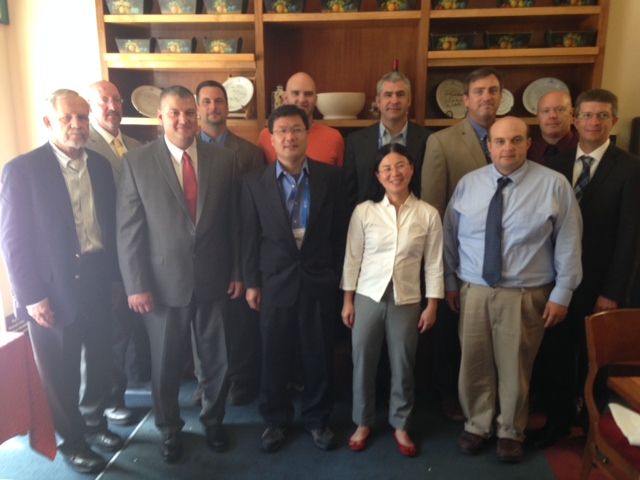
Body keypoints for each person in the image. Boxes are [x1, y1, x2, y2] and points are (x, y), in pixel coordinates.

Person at [443, 116, 582, 463]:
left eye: (516, 140)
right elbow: (450, 236)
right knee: (473, 363)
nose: (508, 148)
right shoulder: (468, 184)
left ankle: (510, 430)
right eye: (500, 141)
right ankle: (477, 424)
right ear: (488, 146)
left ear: (528, 143)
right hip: (473, 289)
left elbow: (568, 242)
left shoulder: (554, 185)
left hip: (525, 294)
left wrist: (562, 293)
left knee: (515, 367)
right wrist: (450, 282)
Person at [0, 89, 123, 474]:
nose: (77, 125)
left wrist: (120, 280)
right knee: (61, 372)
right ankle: (72, 443)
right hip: (51, 290)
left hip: (98, 280)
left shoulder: (101, 166)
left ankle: (94, 423)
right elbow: (13, 241)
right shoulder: (23, 170)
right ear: (48, 122)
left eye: (83, 118)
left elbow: (114, 228)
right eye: (68, 118)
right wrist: (32, 296)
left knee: (102, 361)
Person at [117, 85, 241, 462]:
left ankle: (214, 419)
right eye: (175, 113)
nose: (183, 120)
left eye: (190, 112)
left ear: (198, 116)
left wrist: (236, 271)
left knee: (216, 359)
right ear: (161, 117)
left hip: (214, 278)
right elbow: (129, 229)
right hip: (160, 285)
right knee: (165, 364)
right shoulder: (137, 162)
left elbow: (233, 222)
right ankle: (169, 429)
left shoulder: (224, 160)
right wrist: (136, 285)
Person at [531, 89, 640, 448]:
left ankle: (591, 422)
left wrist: (612, 292)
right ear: (575, 120)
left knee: (594, 356)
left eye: (602, 116)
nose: (594, 122)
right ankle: (558, 419)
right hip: (558, 279)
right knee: (558, 351)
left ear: (614, 121)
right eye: (588, 115)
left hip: (601, 281)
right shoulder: (555, 164)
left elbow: (630, 236)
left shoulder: (630, 168)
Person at [242, 105, 347, 453]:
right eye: (282, 131)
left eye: (296, 130)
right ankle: (275, 420)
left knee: (319, 354)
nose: (289, 137)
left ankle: (318, 420)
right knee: (274, 354)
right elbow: (249, 236)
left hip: (319, 279)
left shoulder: (330, 177)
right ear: (272, 139)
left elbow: (339, 233)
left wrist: (337, 276)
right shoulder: (255, 183)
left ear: (307, 133)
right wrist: (253, 282)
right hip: (274, 281)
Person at [341, 143, 443, 457]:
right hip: (367, 296)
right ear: (377, 174)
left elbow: (434, 262)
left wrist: (432, 303)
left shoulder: (427, 213)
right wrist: (348, 301)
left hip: (407, 299)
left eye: (400, 166)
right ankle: (363, 421)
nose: (394, 173)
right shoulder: (364, 211)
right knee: (363, 361)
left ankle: (401, 424)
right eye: (387, 168)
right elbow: (352, 258)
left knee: (403, 363)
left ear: (412, 169)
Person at [420, 67, 502, 422]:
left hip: (506, 263)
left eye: (493, 91)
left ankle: (493, 400)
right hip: (459, 260)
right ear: (466, 100)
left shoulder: (513, 136)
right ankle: (450, 397)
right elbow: (434, 211)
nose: (487, 97)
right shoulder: (442, 142)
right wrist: (444, 272)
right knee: (452, 338)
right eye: (479, 91)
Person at [195, 79, 265, 405]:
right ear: (198, 109)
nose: (214, 107)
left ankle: (241, 383)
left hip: (237, 252)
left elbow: (253, 217)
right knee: (202, 330)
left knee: (239, 327)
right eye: (207, 102)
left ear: (228, 107)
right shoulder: (183, 152)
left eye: (219, 101)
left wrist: (242, 269)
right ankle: (206, 385)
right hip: (196, 260)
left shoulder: (249, 154)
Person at [85, 80, 147, 426]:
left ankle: (136, 383)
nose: (111, 107)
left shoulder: (137, 146)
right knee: (111, 332)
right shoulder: (85, 147)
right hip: (108, 256)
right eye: (103, 101)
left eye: (116, 100)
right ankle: (111, 399)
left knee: (132, 327)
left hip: (140, 252)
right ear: (92, 108)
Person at [344, 71, 429, 211]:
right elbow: (349, 193)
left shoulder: (428, 140)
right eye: (388, 95)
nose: (394, 101)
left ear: (409, 100)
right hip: (367, 224)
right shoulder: (356, 142)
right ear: (378, 101)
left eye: (400, 95)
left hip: (412, 222)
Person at [258, 72, 344, 167]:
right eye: (295, 93)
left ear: (315, 100)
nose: (302, 99)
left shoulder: (334, 138)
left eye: (308, 94)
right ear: (285, 98)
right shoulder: (266, 136)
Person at [527, 90, 578, 165]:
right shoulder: (527, 150)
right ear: (537, 117)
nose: (553, 116)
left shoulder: (584, 147)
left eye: (560, 110)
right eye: (546, 111)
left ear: (571, 113)